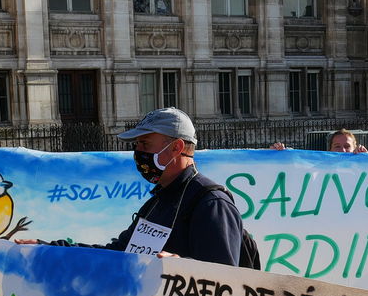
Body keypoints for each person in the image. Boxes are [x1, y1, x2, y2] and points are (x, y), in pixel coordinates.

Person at [30, 107, 244, 265]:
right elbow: (118, 254)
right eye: (137, 145)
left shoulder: (211, 204)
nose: (138, 152)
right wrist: (47, 249)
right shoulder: (157, 202)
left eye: (145, 144)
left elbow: (224, 283)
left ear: (176, 147)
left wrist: (182, 269)